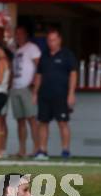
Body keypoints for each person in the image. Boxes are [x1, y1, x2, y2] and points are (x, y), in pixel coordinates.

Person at [33, 29, 77, 160]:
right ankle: (42, 150)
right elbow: (39, 75)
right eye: (49, 40)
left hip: (61, 95)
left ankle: (65, 150)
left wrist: (71, 93)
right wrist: (35, 92)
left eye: (53, 40)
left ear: (59, 40)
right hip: (44, 95)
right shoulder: (44, 55)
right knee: (43, 122)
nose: (51, 42)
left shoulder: (67, 54)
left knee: (62, 122)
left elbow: (73, 74)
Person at [11, 26, 41, 157]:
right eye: (16, 34)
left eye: (21, 33)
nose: (18, 36)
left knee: (31, 119)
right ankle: (22, 150)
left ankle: (36, 148)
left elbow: (40, 66)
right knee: (20, 120)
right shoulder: (17, 50)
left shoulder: (32, 48)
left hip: (27, 88)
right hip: (16, 87)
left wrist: (34, 82)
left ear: (26, 34)